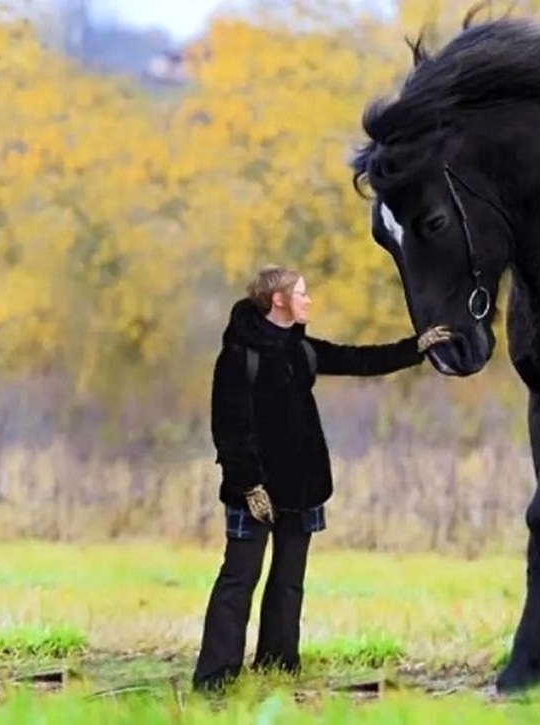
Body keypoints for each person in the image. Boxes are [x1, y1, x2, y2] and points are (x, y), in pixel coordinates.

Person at [192, 263, 451, 692]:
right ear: (278, 300)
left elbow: (358, 359)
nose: (309, 300)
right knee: (238, 579)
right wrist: (249, 485)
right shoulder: (239, 355)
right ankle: (215, 677)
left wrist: (416, 348)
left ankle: (278, 665)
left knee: (289, 581)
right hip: (253, 493)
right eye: (302, 293)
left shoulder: (301, 349)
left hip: (301, 488)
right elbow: (228, 426)